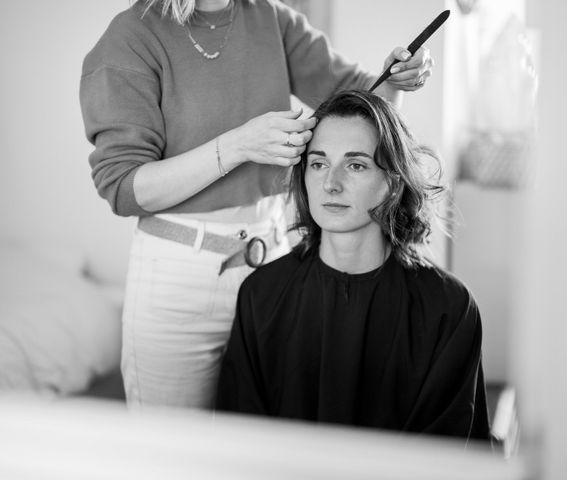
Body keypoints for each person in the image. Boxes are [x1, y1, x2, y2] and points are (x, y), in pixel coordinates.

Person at [79, 0, 433, 409]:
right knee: (177, 456)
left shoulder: (271, 18)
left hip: (275, 265)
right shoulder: (132, 37)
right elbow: (123, 187)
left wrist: (396, 80)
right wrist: (238, 145)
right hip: (179, 282)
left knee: (270, 441)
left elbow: (362, 103)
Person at [216, 90, 490, 439]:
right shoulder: (261, 295)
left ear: (393, 181)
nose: (331, 183)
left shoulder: (448, 310)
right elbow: (240, 443)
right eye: (318, 164)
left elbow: (444, 458)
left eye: (356, 165)